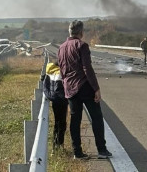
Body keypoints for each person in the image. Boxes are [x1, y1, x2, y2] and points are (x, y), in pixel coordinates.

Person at [57, 20, 112, 160]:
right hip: (84, 86)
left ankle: (77, 152)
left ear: (69, 32)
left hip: (70, 88)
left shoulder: (61, 47)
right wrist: (96, 88)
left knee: (75, 120)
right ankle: (102, 150)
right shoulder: (82, 45)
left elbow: (62, 69)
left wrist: (66, 83)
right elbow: (87, 68)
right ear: (81, 32)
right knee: (97, 117)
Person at [42, 61, 68, 151]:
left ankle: (55, 146)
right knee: (62, 124)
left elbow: (45, 85)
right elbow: (62, 88)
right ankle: (59, 145)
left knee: (57, 123)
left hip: (54, 100)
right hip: (61, 100)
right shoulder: (61, 73)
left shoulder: (49, 72)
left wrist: (50, 96)